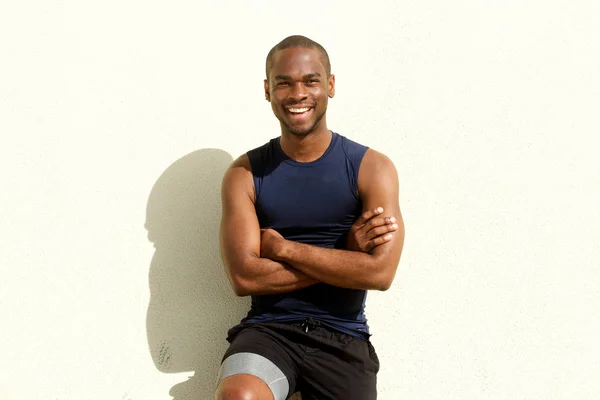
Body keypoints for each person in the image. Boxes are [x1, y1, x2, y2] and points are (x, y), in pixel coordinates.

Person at [215, 35, 405, 400]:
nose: (297, 93)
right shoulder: (245, 173)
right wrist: (347, 253)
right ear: (268, 90)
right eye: (284, 83)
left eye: (310, 81)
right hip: (268, 332)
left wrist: (283, 250)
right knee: (239, 396)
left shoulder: (372, 168)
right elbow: (243, 277)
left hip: (343, 336)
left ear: (330, 86)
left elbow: (380, 273)